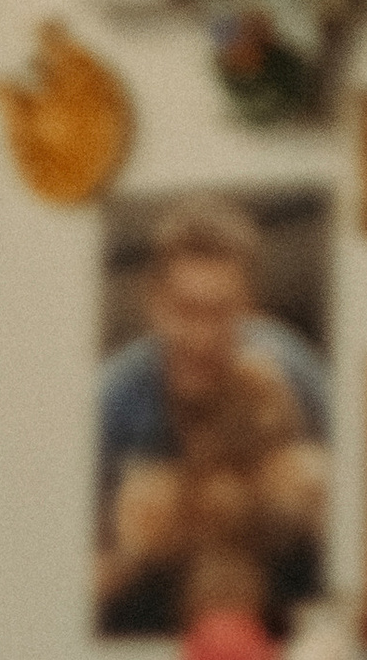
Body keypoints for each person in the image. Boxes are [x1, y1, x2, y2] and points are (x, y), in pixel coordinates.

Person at [95, 192, 330, 636]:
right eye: (186, 311)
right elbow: (54, 586)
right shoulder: (111, 401)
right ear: (154, 303)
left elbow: (363, 535)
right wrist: (130, 553)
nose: (203, 337)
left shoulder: (294, 374)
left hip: (276, 627)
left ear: (248, 307)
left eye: (222, 312)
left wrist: (317, 506)